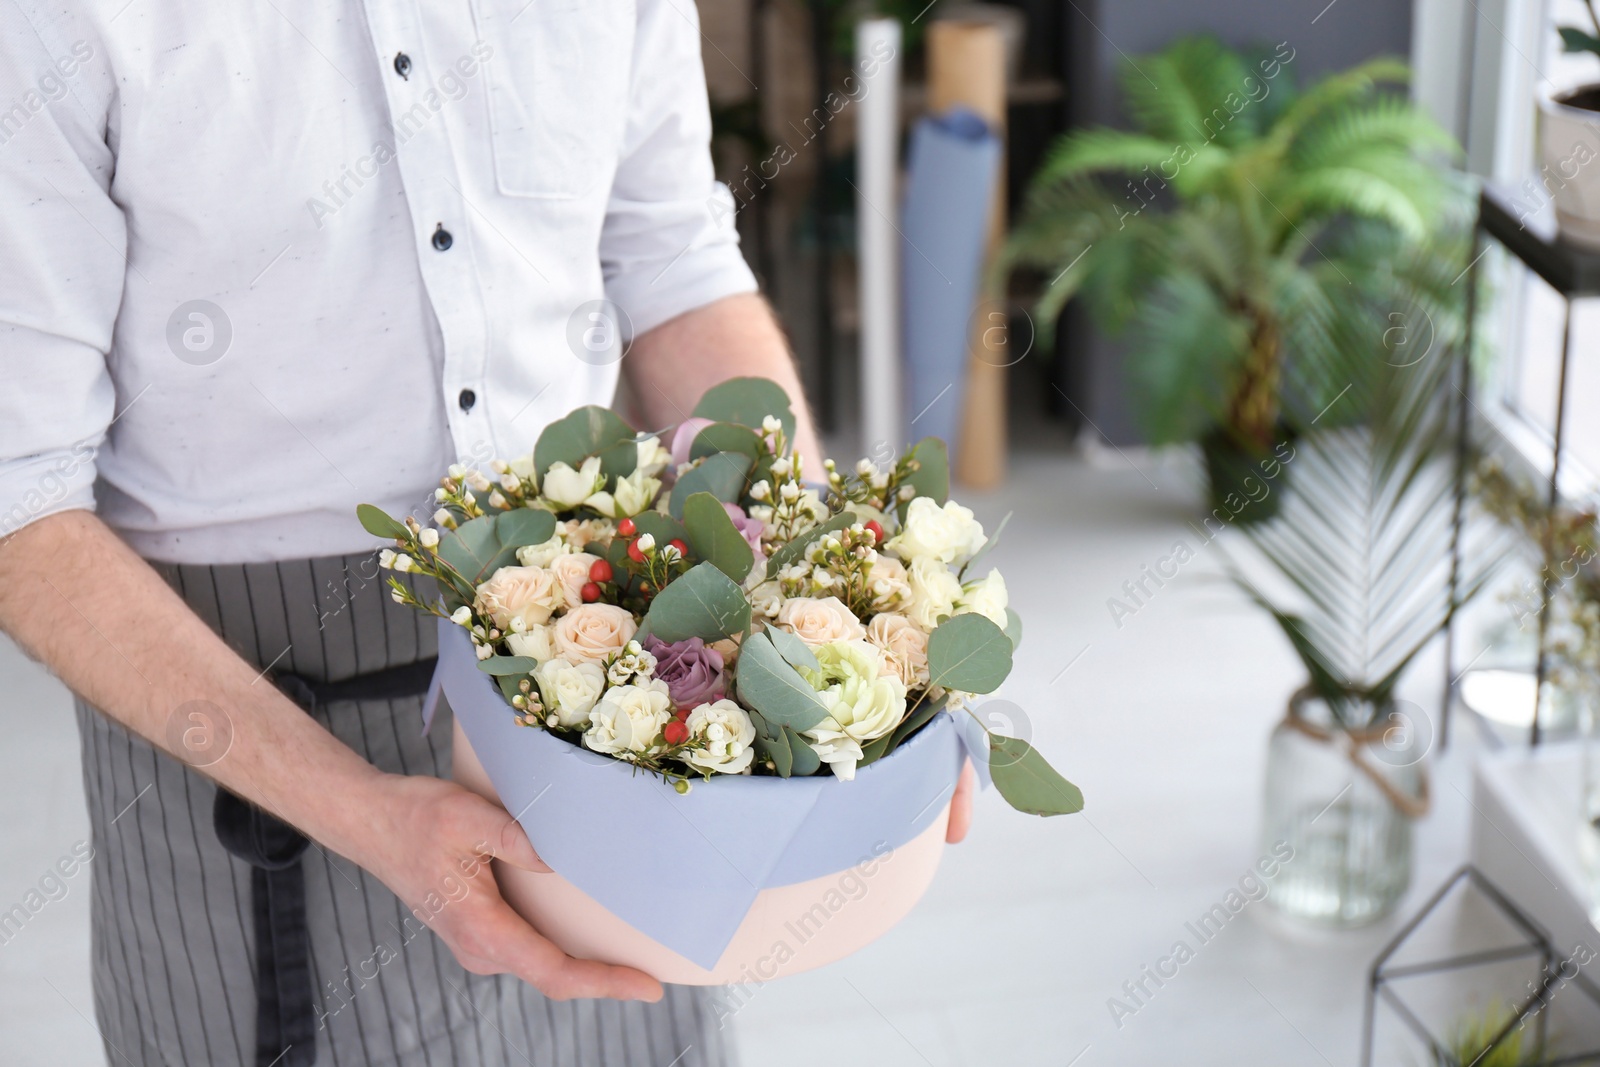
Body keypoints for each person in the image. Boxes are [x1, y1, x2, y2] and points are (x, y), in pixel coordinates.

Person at [0, 2, 974, 1065]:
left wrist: (841, 626)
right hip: (255, 736)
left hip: (611, 690)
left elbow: (673, 263)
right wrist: (369, 811)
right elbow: (21, 501)